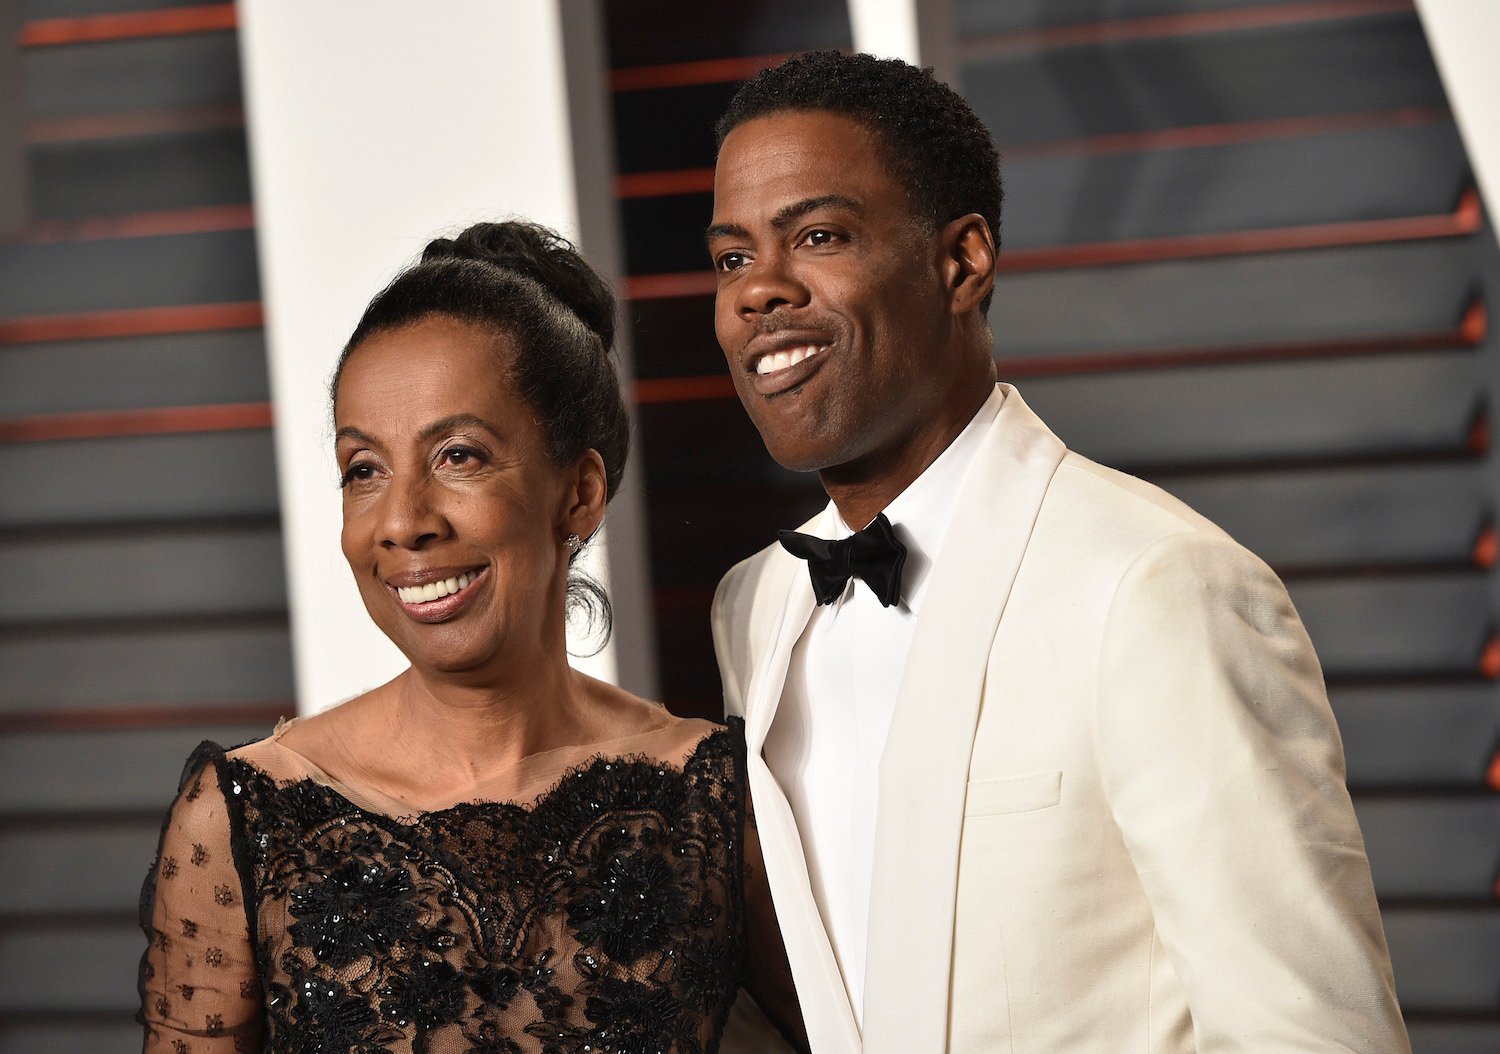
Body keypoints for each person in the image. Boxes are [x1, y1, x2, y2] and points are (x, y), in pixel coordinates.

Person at [706, 50, 1410, 1053]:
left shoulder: (1157, 584)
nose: (757, 293)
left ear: (964, 261)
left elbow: (1312, 1036)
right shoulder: (757, 605)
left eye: (818, 235)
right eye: (732, 256)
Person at [138, 221, 803, 1053]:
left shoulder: (714, 799)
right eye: (363, 470)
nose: (404, 523)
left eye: (458, 455)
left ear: (580, 493)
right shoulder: (244, 817)